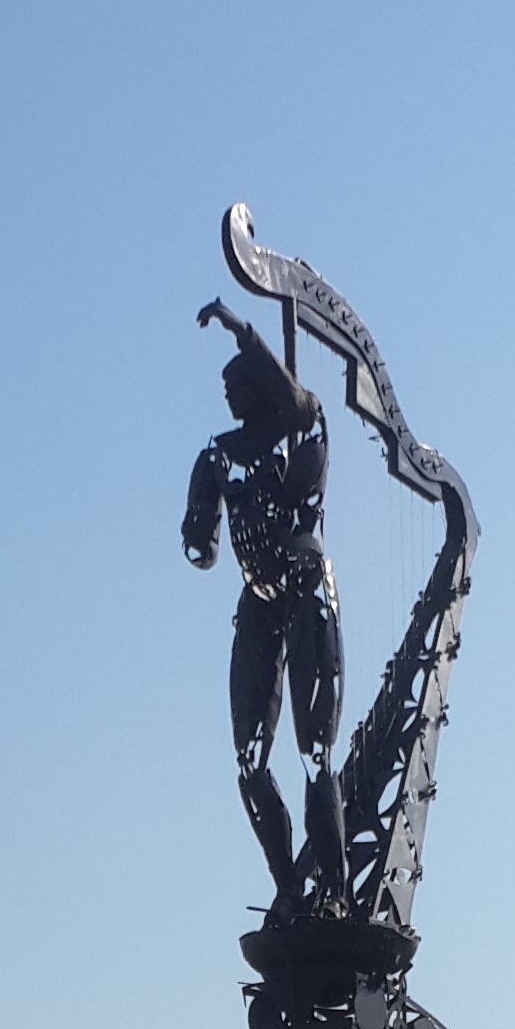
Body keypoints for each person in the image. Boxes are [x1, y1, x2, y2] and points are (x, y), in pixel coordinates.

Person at [183, 302, 347, 911]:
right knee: (249, 758)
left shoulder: (305, 429)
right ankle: (289, 886)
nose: (228, 395)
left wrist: (239, 328)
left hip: (306, 588)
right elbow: (201, 539)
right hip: (258, 600)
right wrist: (199, 536)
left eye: (238, 381)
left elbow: (299, 399)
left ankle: (334, 886)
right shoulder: (221, 454)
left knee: (315, 751)